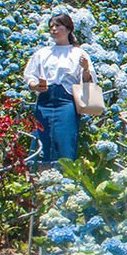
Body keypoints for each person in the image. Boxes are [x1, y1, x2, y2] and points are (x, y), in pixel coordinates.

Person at [23, 13, 95, 162]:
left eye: (58, 26)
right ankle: (42, 178)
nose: (54, 29)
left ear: (68, 29)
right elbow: (30, 75)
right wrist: (35, 85)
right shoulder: (42, 53)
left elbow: (87, 82)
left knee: (66, 140)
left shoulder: (78, 53)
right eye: (51, 27)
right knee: (43, 140)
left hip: (66, 102)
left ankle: (66, 179)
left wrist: (86, 69)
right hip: (44, 101)